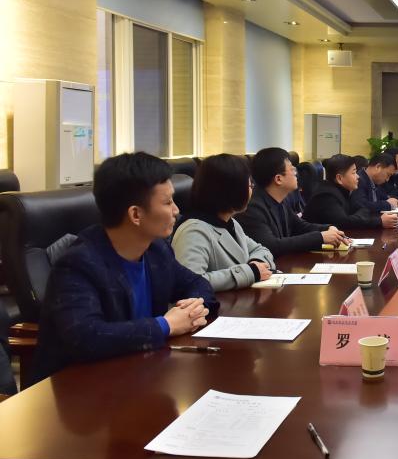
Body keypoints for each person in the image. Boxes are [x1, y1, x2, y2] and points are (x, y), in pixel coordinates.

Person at [33, 152, 217, 383]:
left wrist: (193, 309)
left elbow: (197, 283)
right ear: (136, 214)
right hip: (77, 388)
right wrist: (166, 325)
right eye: (168, 202)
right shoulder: (78, 265)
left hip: (141, 373)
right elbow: (87, 337)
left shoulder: (156, 250)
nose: (176, 210)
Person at [172, 154, 275, 292]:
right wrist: (250, 272)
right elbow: (190, 282)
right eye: (249, 185)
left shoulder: (230, 222)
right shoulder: (194, 230)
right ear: (231, 190)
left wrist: (257, 264)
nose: (251, 190)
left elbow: (260, 250)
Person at [235, 147, 347, 258]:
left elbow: (299, 226)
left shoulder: (280, 200)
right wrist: (320, 237)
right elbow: (272, 246)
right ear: (278, 179)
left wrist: (328, 229)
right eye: (292, 169)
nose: (296, 173)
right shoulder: (253, 208)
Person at [304, 154, 398, 230]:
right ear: (339, 178)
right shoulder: (327, 195)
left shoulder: (342, 190)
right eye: (353, 173)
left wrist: (362, 212)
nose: (358, 176)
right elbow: (344, 223)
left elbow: (358, 212)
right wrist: (379, 221)